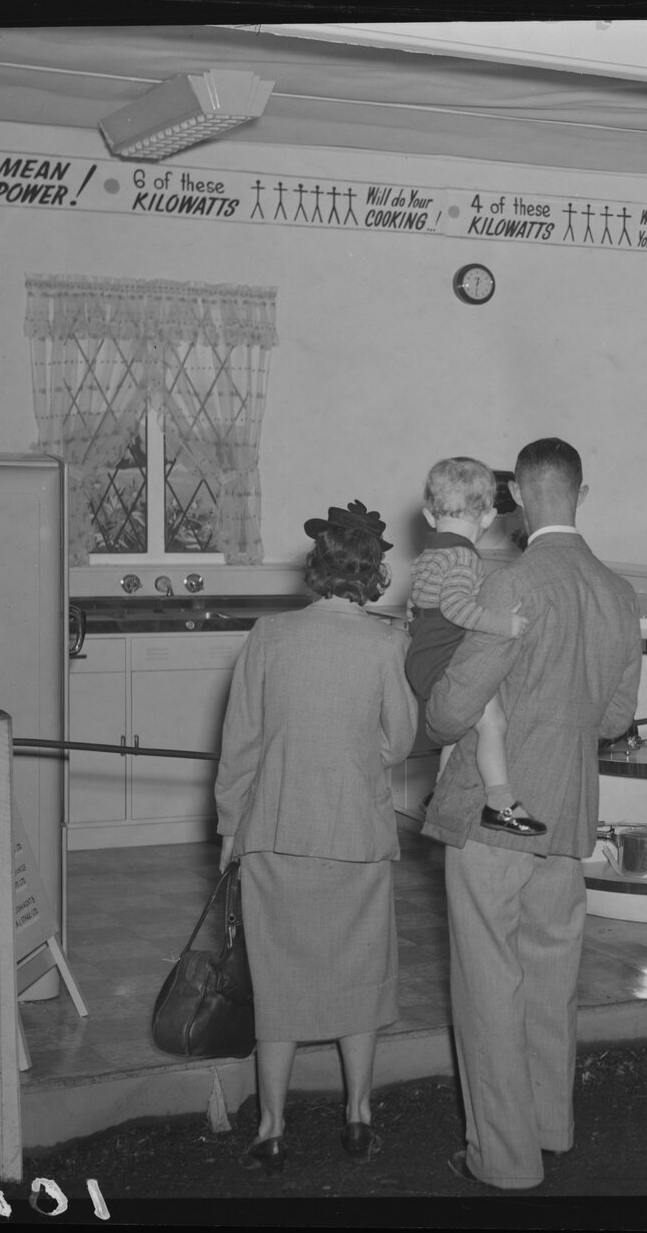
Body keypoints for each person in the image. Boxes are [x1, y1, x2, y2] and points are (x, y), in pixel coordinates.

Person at [421, 438, 642, 1190]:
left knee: (490, 981)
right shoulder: (617, 592)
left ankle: (504, 1160)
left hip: (498, 811)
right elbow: (615, 719)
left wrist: (440, 704)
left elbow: (452, 712)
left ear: (516, 492)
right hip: (569, 805)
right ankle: (550, 1126)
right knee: (552, 971)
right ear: (583, 491)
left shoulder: (511, 584)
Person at [214, 501, 418, 1174]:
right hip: (355, 835)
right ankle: (357, 1117)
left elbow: (239, 745)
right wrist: (360, 755)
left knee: (277, 985)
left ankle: (271, 1126)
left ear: (318, 568)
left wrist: (227, 827)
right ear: (373, 573)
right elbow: (401, 742)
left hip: (274, 830)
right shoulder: (387, 644)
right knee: (359, 976)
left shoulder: (270, 637)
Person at [406, 456, 541, 836]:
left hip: (423, 658)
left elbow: (416, 608)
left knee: (463, 729)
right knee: (493, 722)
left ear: (429, 516)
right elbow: (456, 607)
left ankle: (440, 792)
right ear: (487, 518)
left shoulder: (428, 556)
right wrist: (504, 624)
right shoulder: (462, 555)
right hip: (446, 661)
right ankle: (501, 803)